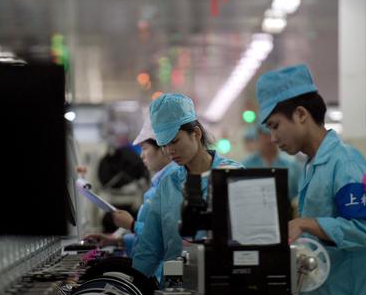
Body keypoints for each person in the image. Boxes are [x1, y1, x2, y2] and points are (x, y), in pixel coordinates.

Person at [255, 64, 366, 295]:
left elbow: (363, 231)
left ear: (301, 114)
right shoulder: (311, 165)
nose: (273, 138)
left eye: (275, 125)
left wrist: (305, 223)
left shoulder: (346, 163)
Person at [132, 93, 244, 277]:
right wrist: (132, 286)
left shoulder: (234, 175)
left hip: (224, 285)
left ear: (196, 134)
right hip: (177, 291)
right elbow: (149, 249)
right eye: (164, 145)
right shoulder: (168, 185)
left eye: (175, 141)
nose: (170, 151)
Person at [85, 116, 178, 263]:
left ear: (163, 149)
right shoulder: (160, 184)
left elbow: (168, 238)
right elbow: (150, 239)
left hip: (163, 273)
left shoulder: (173, 184)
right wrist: (116, 241)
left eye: (145, 148)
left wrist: (131, 225)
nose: (141, 155)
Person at [241, 124, 303, 203]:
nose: (268, 140)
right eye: (264, 135)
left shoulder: (292, 165)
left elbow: (301, 193)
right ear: (258, 137)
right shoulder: (245, 165)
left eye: (271, 135)